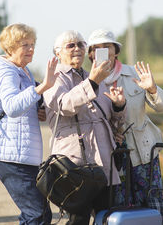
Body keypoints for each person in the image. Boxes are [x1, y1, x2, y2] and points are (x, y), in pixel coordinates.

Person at [43, 30, 126, 225]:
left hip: (104, 161)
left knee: (107, 215)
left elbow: (113, 120)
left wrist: (118, 105)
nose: (77, 49)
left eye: (81, 44)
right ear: (58, 53)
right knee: (78, 219)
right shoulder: (54, 78)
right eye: (70, 45)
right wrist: (92, 83)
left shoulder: (93, 76)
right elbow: (65, 106)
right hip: (75, 164)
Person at [0, 23, 58, 225]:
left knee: (38, 213)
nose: (31, 49)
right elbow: (12, 107)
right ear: (11, 47)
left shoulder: (23, 71)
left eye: (33, 44)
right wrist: (42, 87)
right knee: (37, 214)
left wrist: (37, 110)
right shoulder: (6, 73)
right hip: (11, 156)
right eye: (25, 44)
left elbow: (24, 104)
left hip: (23, 155)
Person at [87, 28, 163, 206]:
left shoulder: (134, 74)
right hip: (111, 159)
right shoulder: (87, 84)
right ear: (91, 54)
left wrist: (152, 88)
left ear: (116, 51)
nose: (102, 50)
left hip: (144, 153)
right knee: (118, 207)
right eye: (96, 47)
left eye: (107, 46)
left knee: (150, 205)